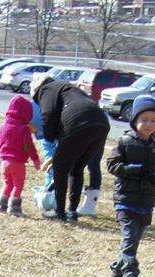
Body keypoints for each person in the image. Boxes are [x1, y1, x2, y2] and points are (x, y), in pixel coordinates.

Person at [106, 96, 155, 277]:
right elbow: (112, 165)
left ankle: (117, 267)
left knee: (135, 238)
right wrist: (130, 169)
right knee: (129, 236)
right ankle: (130, 272)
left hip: (147, 201)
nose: (149, 124)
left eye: (153, 120)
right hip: (126, 199)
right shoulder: (125, 141)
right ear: (135, 120)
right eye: (144, 120)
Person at [33, 73, 110, 224]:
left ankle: (59, 211)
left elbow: (48, 115)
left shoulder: (46, 89)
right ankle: (72, 211)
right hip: (101, 122)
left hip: (78, 121)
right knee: (77, 168)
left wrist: (49, 138)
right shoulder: (67, 88)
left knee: (60, 168)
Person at [0, 94, 41, 217]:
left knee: (7, 184)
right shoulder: (23, 129)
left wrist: (2, 154)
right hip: (18, 163)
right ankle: (14, 208)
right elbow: (29, 146)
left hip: (4, 162)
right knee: (18, 185)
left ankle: (1, 205)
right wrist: (35, 160)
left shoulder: (3, 126)